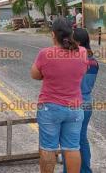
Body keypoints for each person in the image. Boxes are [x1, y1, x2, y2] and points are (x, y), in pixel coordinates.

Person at [31, 18, 88, 173]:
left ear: (53, 34)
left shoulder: (46, 54)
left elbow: (35, 75)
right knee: (72, 147)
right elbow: (82, 72)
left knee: (48, 148)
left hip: (50, 107)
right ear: (71, 33)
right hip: (75, 108)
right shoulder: (82, 52)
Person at [63, 28, 99, 173]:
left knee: (70, 142)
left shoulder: (74, 59)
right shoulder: (94, 61)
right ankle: (85, 170)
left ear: (77, 41)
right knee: (82, 138)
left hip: (74, 104)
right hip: (87, 103)